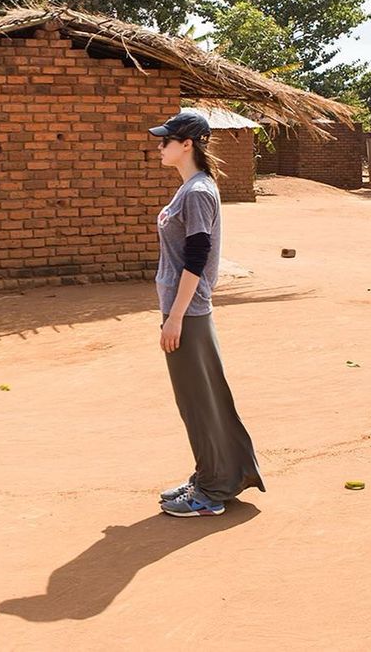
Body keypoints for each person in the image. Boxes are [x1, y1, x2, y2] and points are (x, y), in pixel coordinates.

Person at [149, 109, 265, 517]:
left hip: (189, 313)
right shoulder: (191, 189)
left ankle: (212, 492)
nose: (159, 145)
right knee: (199, 400)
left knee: (200, 401)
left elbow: (197, 257)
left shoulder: (197, 192)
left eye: (166, 140)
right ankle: (212, 475)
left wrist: (177, 316)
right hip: (184, 311)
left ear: (188, 144)